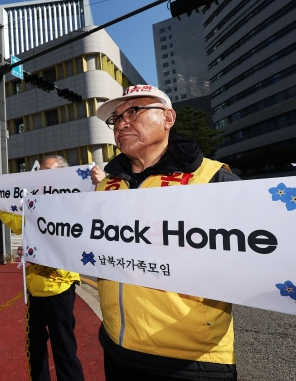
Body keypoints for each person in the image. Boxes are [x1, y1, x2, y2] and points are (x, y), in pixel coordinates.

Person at [93, 85, 240, 381]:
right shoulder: (104, 188)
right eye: (116, 118)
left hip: (191, 361)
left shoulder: (213, 179)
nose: (121, 123)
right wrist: (46, 247)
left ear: (168, 118)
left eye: (134, 111)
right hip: (116, 346)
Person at [0, 155, 84, 381]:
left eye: (49, 172)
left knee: (64, 351)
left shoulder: (72, 204)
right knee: (35, 349)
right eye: (40, 172)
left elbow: (74, 244)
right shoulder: (35, 204)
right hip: (34, 289)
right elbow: (18, 224)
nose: (42, 177)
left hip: (59, 288)